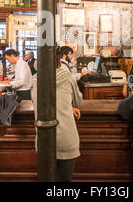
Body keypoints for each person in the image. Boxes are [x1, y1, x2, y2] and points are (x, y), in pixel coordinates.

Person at [31, 49, 83, 182]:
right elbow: (78, 101)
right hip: (66, 139)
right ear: (59, 63)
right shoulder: (67, 76)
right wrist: (69, 105)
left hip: (43, 140)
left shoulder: (35, 80)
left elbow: (41, 101)